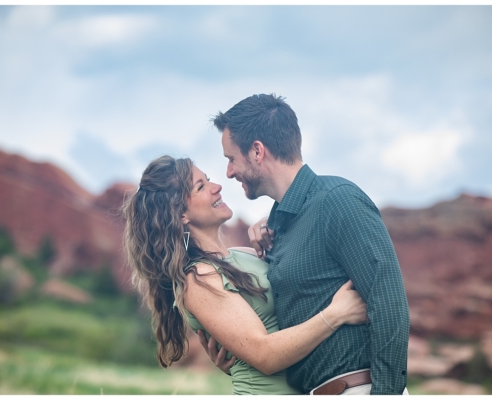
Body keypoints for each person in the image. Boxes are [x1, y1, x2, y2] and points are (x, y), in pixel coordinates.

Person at [208, 93, 411, 395]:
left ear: (257, 151)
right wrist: (241, 356)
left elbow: (389, 304)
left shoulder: (338, 201)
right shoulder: (279, 222)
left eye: (231, 159)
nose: (229, 172)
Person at [122, 155, 369, 395]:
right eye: (201, 186)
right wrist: (336, 314)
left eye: (208, 179)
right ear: (180, 214)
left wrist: (276, 228)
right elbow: (265, 355)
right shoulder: (199, 279)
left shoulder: (242, 255)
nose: (217, 187)